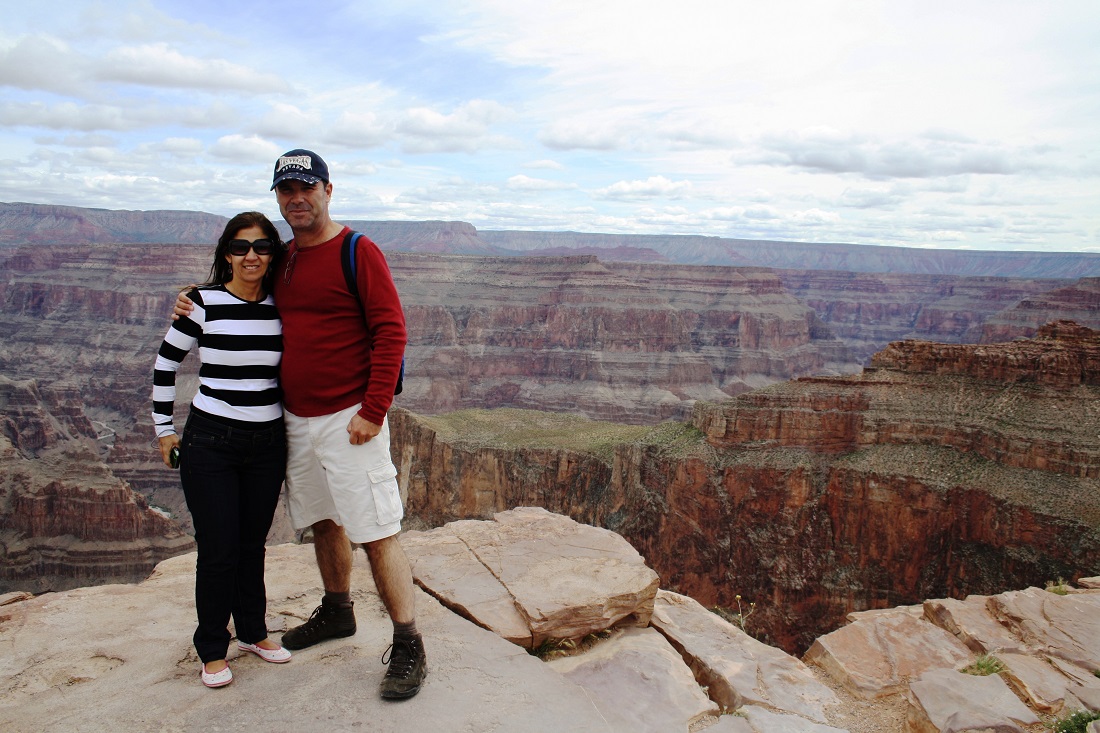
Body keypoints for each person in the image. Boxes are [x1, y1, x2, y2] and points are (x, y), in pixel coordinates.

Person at [174, 150, 424, 700]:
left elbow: (391, 332)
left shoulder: (357, 250)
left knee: (376, 530)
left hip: (349, 417)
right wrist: (192, 300)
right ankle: (338, 611)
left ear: (328, 190)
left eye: (306, 187)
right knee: (324, 521)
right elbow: (239, 286)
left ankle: (408, 642)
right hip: (291, 417)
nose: (297, 198)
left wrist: (374, 410)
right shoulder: (282, 257)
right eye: (286, 190)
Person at [154, 211, 292, 689]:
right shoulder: (201, 303)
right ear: (227, 254)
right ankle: (212, 648)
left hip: (268, 441)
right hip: (211, 440)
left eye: (262, 246)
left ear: (273, 253)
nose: (251, 255)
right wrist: (164, 430)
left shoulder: (283, 305)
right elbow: (166, 365)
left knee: (252, 545)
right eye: (240, 246)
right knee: (218, 549)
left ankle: (253, 632)